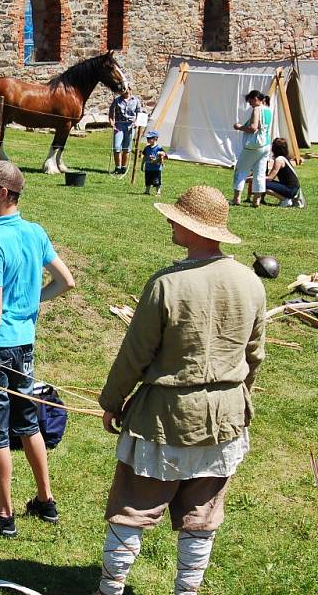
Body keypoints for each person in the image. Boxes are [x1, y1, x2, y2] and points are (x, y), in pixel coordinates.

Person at [96, 185, 266, 595]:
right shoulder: (251, 283)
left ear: (193, 228)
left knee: (133, 506)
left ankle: (111, 589)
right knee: (202, 513)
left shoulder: (166, 285)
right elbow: (254, 356)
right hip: (224, 418)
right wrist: (238, 399)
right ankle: (186, 591)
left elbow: (134, 355)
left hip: (165, 418)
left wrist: (112, 402)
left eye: (177, 218)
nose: (170, 221)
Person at [0, 160, 75, 537]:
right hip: (23, 345)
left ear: (3, 193)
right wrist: (28, 308)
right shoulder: (35, 232)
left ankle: (3, 515)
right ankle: (45, 500)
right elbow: (66, 281)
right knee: (27, 422)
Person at [231, 90, 272, 207]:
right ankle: (256, 200)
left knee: (241, 170)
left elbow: (253, 128)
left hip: (254, 146)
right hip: (266, 145)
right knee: (260, 173)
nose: (250, 105)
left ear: (255, 99)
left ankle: (236, 198)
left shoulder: (257, 109)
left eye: (250, 102)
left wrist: (239, 127)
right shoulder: (269, 109)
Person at [109, 86, 143, 174]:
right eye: (123, 89)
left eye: (127, 89)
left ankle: (123, 168)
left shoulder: (136, 100)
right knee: (117, 147)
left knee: (126, 148)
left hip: (130, 126)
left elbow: (139, 113)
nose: (125, 91)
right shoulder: (117, 100)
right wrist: (112, 123)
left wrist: (136, 123)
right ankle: (117, 168)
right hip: (119, 125)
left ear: (130, 89)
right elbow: (111, 113)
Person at [264, 137, 305, 208]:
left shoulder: (279, 160)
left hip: (291, 189)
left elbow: (270, 178)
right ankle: (289, 199)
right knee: (264, 183)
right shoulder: (285, 158)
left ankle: (285, 200)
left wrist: (254, 178)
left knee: (261, 185)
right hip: (294, 187)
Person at [141, 130, 167, 196]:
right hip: (148, 168)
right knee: (148, 180)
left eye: (149, 138)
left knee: (156, 181)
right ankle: (147, 191)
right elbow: (144, 157)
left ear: (155, 138)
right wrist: (142, 165)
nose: (148, 139)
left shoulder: (159, 148)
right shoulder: (146, 148)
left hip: (156, 169)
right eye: (147, 138)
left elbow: (165, 156)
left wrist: (161, 156)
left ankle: (158, 192)